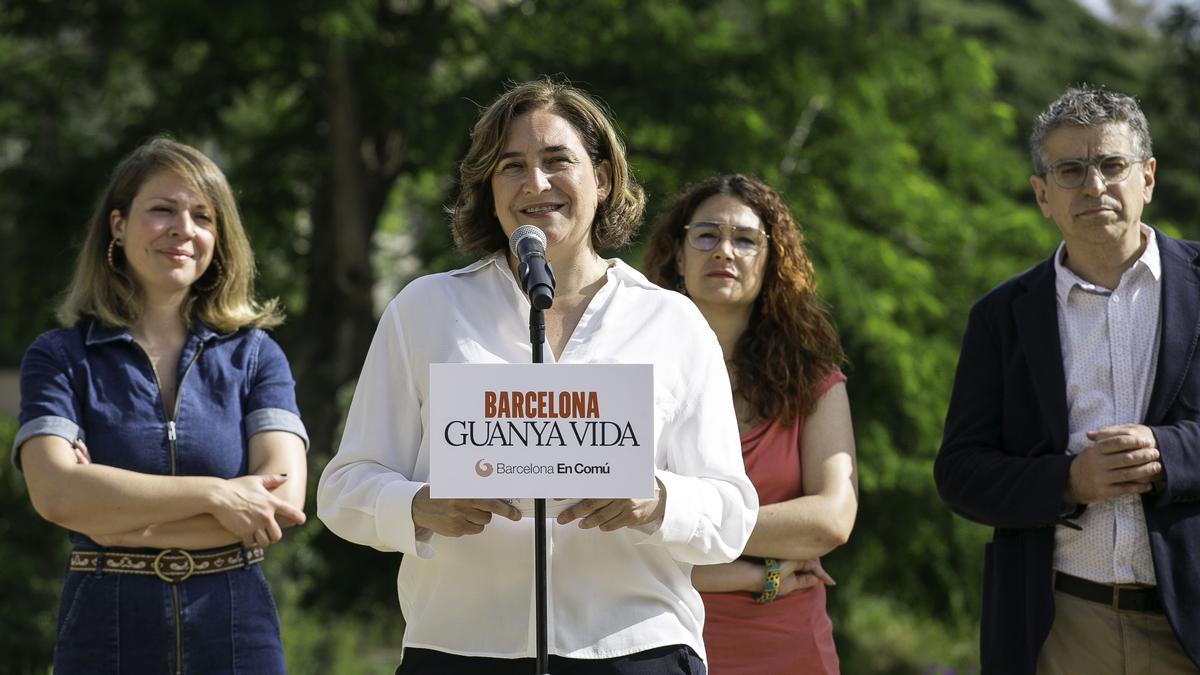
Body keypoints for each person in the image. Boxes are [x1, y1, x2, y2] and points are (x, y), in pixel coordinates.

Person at [317, 79, 757, 674]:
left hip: (634, 651)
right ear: (489, 190)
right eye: (511, 166)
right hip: (461, 650)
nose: (536, 184)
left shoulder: (670, 321)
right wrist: (419, 504)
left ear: (602, 180)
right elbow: (343, 490)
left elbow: (732, 513)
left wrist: (658, 500)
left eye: (557, 162)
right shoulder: (425, 310)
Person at [14, 137, 309, 674]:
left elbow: (281, 501)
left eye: (203, 216)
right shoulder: (59, 356)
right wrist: (217, 496)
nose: (183, 229)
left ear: (219, 239)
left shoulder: (257, 356)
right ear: (119, 225)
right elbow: (56, 493)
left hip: (237, 631)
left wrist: (111, 519)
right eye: (162, 210)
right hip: (105, 631)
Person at [934, 85, 1200, 674]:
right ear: (1042, 195)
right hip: (1058, 624)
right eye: (1071, 171)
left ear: (1148, 178)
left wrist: (1170, 452)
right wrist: (1068, 480)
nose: (1094, 187)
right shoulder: (999, 316)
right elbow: (959, 473)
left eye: (1112, 165)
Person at [643, 174, 858, 674]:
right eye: (706, 235)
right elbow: (608, 533)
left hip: (790, 646)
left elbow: (831, 520)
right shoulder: (631, 377)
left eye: (745, 239)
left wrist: (677, 527)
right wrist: (755, 575)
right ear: (677, 255)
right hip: (657, 639)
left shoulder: (814, 382)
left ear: (770, 260)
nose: (724, 250)